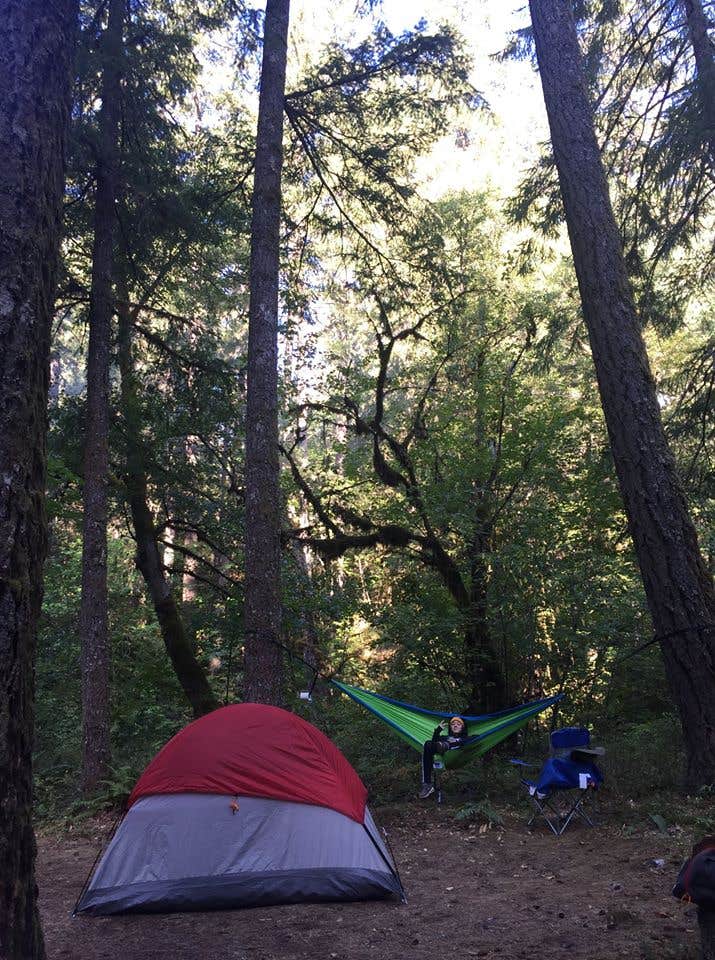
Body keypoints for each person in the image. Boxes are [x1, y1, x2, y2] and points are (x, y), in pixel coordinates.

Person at [419, 716, 468, 798]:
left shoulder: (466, 738)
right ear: (450, 727)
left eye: (458, 724)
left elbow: (475, 739)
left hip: (454, 756)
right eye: (453, 724)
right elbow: (433, 741)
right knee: (428, 744)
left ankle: (443, 746)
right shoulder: (445, 737)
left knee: (444, 744)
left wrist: (458, 741)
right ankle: (427, 785)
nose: (455, 725)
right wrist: (438, 729)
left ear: (462, 727)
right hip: (443, 757)